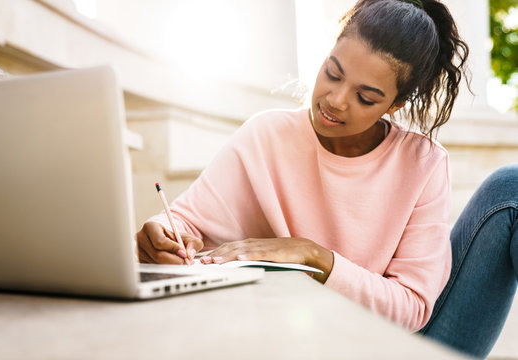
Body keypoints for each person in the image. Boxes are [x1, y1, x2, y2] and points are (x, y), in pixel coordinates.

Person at [136, 0, 517, 358]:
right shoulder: (266, 135)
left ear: (395, 104)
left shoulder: (423, 164)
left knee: (510, 187)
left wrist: (314, 257)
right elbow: (185, 222)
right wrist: (160, 234)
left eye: (365, 97)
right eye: (332, 73)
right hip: (288, 341)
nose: (335, 100)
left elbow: (413, 307)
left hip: (393, 348)